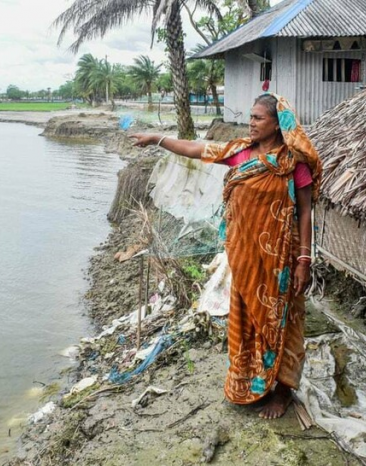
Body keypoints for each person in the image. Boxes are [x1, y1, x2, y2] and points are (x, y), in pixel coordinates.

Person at [130, 94, 322, 419]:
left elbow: (305, 213)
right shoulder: (239, 152)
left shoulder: (292, 164)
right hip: (245, 260)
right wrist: (157, 139)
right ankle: (252, 382)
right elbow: (196, 149)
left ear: (277, 124)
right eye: (251, 116)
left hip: (281, 263)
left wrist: (304, 261)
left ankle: (283, 391)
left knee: (283, 322)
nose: (252, 122)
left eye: (259, 118)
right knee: (247, 320)